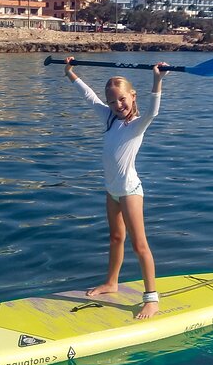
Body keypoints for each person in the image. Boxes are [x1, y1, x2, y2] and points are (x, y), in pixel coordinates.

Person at [64, 57, 169, 319]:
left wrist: (157, 80)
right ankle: (111, 282)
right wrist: (70, 73)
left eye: (122, 99)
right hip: (111, 189)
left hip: (130, 191)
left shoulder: (137, 125)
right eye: (112, 101)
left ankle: (152, 299)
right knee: (115, 238)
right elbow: (90, 98)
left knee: (139, 245)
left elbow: (153, 111)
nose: (117, 105)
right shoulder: (109, 119)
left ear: (133, 96)